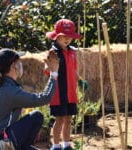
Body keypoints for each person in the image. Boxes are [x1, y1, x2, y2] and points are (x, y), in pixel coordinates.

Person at [0, 48, 59, 150]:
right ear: (14, 65)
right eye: (19, 61)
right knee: (36, 116)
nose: (21, 64)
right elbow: (45, 98)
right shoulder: (9, 91)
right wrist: (54, 73)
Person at [45, 19, 82, 150]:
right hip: (58, 93)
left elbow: (74, 71)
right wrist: (49, 64)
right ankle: (55, 145)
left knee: (68, 119)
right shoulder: (53, 52)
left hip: (71, 92)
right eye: (63, 36)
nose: (67, 39)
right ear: (56, 37)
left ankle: (66, 144)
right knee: (59, 119)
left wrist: (81, 81)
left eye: (70, 36)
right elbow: (48, 71)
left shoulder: (72, 52)